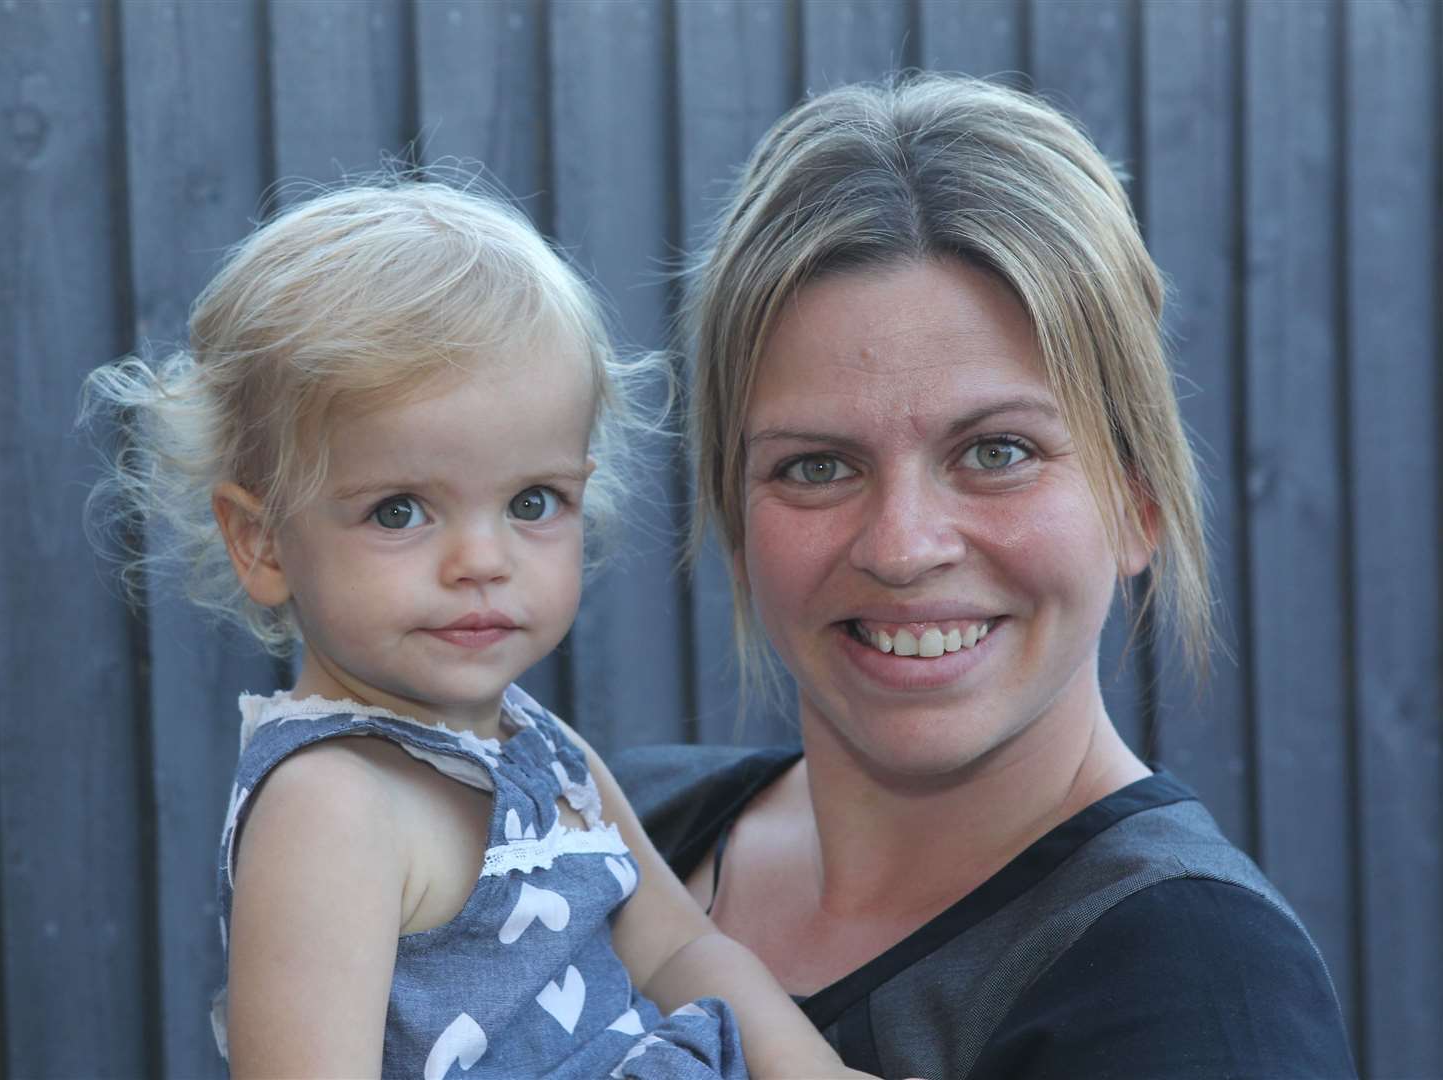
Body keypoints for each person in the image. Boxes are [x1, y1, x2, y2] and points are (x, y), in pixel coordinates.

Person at [614, 74, 1358, 1079]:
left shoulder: (1196, 989)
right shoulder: (608, 837)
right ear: (734, 517)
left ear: (1136, 498)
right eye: (817, 466)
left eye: (997, 451)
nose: (902, 545)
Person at [82, 179, 873, 1079]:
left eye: (532, 502)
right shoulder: (334, 802)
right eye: (399, 511)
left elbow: (684, 954)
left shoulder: (542, 750)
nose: (480, 560)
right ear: (262, 543)